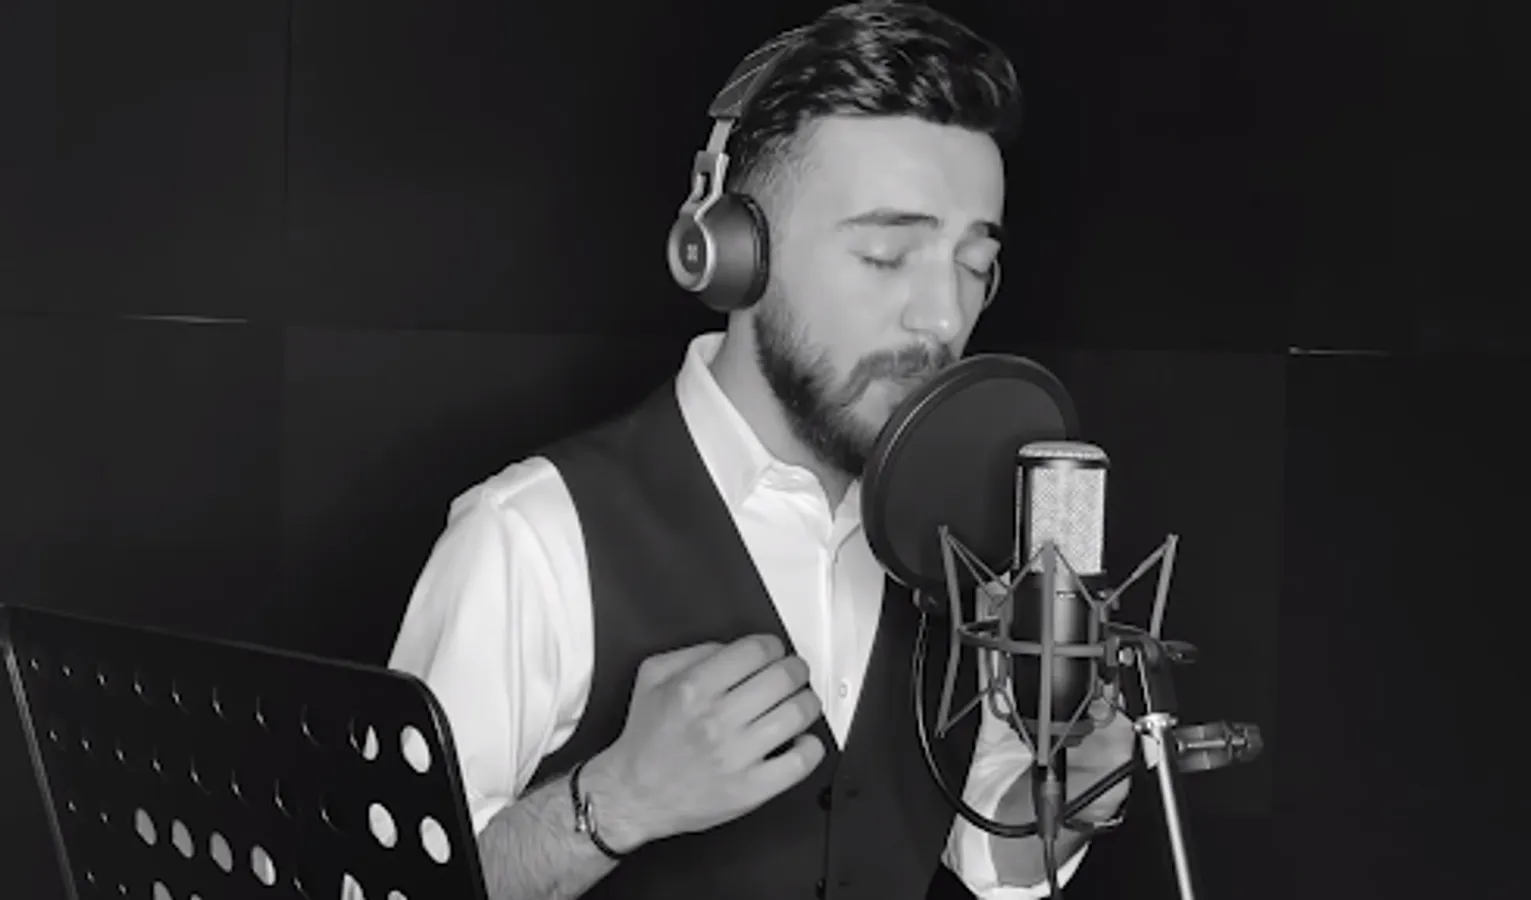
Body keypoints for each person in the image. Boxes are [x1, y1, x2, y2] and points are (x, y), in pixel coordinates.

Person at [387, 4, 1137, 899]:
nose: (943, 318)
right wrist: (614, 801)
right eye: (887, 254)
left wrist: (1072, 794)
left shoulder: (964, 546)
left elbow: (987, 854)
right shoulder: (530, 538)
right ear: (734, 253)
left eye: (974, 266)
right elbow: (387, 889)